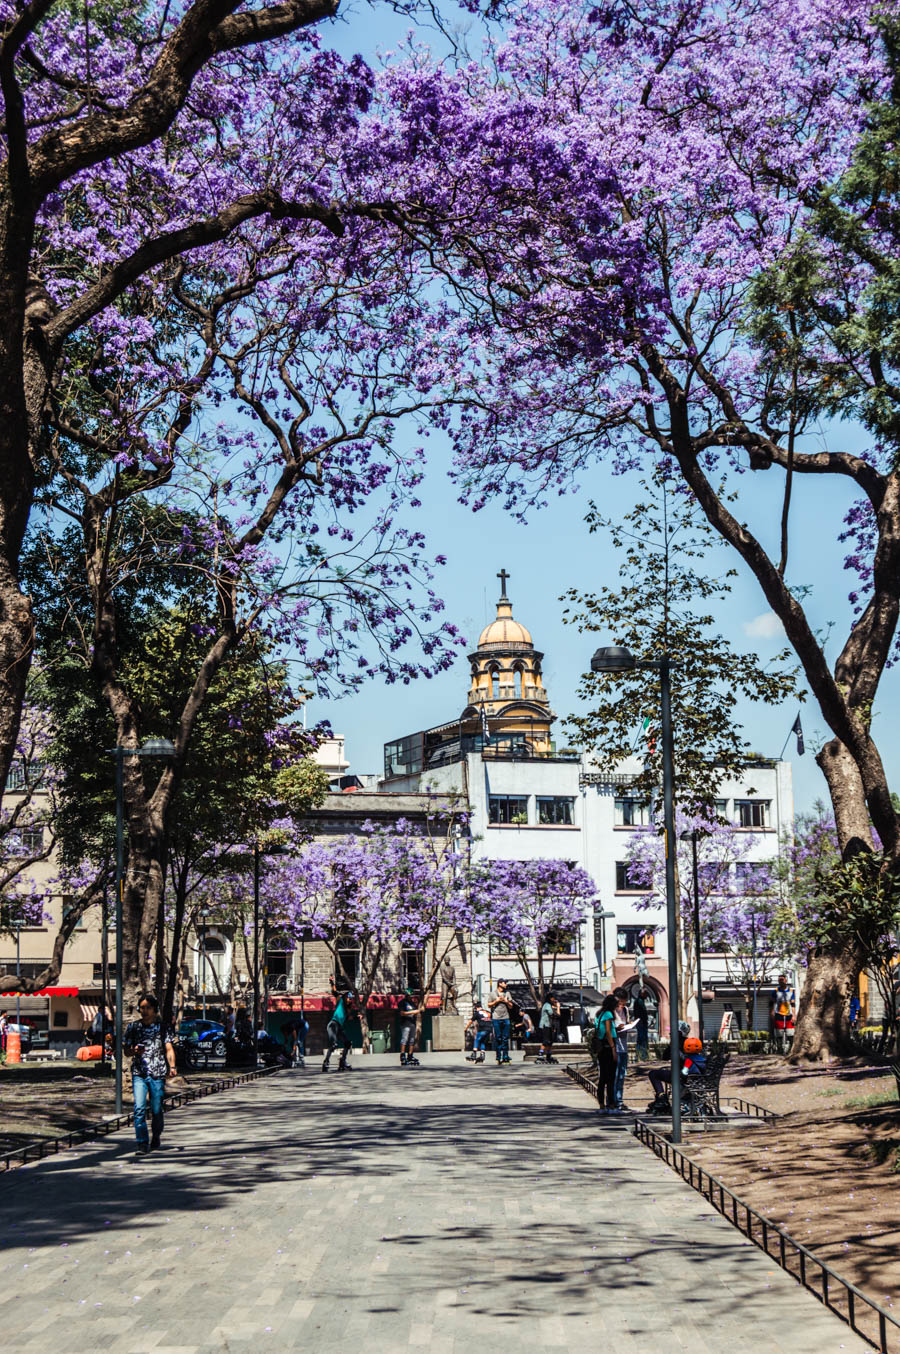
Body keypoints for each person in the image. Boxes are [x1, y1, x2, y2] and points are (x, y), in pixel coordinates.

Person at [123, 993, 176, 1155]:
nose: (144, 1011)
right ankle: (142, 1143)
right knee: (139, 1108)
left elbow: (168, 1049)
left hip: (157, 1073)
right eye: (142, 1007)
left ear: (154, 1010)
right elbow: (126, 1051)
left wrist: (172, 1066)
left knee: (157, 1109)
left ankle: (156, 1135)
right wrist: (133, 1051)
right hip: (139, 1072)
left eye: (148, 1008)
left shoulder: (162, 1027)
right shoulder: (132, 1028)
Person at [646, 1021, 693, 1107]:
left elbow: (687, 1060)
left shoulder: (687, 1044)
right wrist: (671, 1046)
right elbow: (665, 1057)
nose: (670, 1033)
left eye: (673, 1031)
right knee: (654, 1073)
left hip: (682, 1076)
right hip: (679, 1074)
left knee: (653, 1074)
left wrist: (676, 1049)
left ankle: (662, 1098)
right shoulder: (675, 1043)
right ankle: (661, 1096)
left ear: (679, 1033)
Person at [323, 978, 356, 1072]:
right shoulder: (340, 1000)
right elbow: (334, 992)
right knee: (333, 1044)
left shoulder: (348, 1009)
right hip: (333, 1025)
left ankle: (343, 1061)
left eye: (351, 999)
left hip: (339, 1027)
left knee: (348, 1043)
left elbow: (350, 1018)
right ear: (346, 997)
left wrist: (357, 1017)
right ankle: (326, 1062)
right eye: (349, 998)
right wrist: (332, 982)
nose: (349, 1000)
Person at [595, 994, 618, 1113]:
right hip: (608, 1046)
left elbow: (604, 1029)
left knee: (602, 1077)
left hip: (601, 1047)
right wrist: (613, 1048)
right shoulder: (608, 1014)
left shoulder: (599, 1014)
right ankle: (611, 1105)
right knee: (610, 1077)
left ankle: (601, 1104)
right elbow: (608, 1031)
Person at [488, 978, 513, 1065]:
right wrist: (496, 1001)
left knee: (505, 1038)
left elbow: (511, 1006)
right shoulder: (493, 994)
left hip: (506, 1017)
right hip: (496, 1018)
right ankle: (498, 1055)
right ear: (500, 984)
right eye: (504, 983)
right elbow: (488, 1005)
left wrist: (506, 1001)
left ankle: (505, 1055)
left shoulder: (507, 994)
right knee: (498, 1037)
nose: (506, 984)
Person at [613, 987, 630, 1110]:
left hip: (624, 1046)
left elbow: (627, 1022)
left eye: (624, 1003)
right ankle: (614, 1100)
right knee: (615, 1075)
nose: (622, 1005)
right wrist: (616, 1029)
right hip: (615, 1047)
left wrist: (629, 1025)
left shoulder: (626, 1010)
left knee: (622, 1075)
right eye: (620, 1003)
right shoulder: (610, 1012)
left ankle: (619, 1100)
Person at [771, 974, 796, 1052]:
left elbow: (793, 1004)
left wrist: (794, 1015)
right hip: (779, 1014)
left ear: (786, 980)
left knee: (790, 1033)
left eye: (782, 979)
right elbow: (772, 1003)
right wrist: (772, 1012)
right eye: (779, 980)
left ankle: (791, 1050)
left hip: (789, 1015)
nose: (780, 981)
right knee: (779, 1034)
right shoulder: (775, 991)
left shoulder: (791, 991)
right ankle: (779, 1049)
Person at [397, 988, 420, 1066]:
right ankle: (402, 1055)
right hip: (405, 1023)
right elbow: (402, 1013)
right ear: (406, 995)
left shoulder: (412, 1003)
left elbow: (416, 1011)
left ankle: (410, 1055)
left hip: (412, 1023)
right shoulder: (402, 1003)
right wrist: (414, 1012)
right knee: (405, 1039)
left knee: (412, 1040)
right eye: (410, 996)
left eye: (412, 996)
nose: (411, 997)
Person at [536, 992, 560, 1064]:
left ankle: (548, 1055)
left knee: (550, 1041)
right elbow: (554, 1015)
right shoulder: (547, 1005)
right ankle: (540, 1055)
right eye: (553, 998)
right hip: (545, 1025)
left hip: (549, 1025)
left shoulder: (549, 1006)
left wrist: (555, 1007)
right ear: (550, 998)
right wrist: (558, 1007)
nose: (554, 1000)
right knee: (546, 1041)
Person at [632, 989, 649, 1060]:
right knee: (642, 1039)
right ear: (642, 994)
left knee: (641, 1039)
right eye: (645, 994)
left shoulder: (640, 1001)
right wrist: (641, 1021)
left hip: (641, 1023)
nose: (647, 996)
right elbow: (640, 1013)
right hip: (641, 1023)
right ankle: (642, 1056)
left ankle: (641, 1055)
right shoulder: (639, 1001)